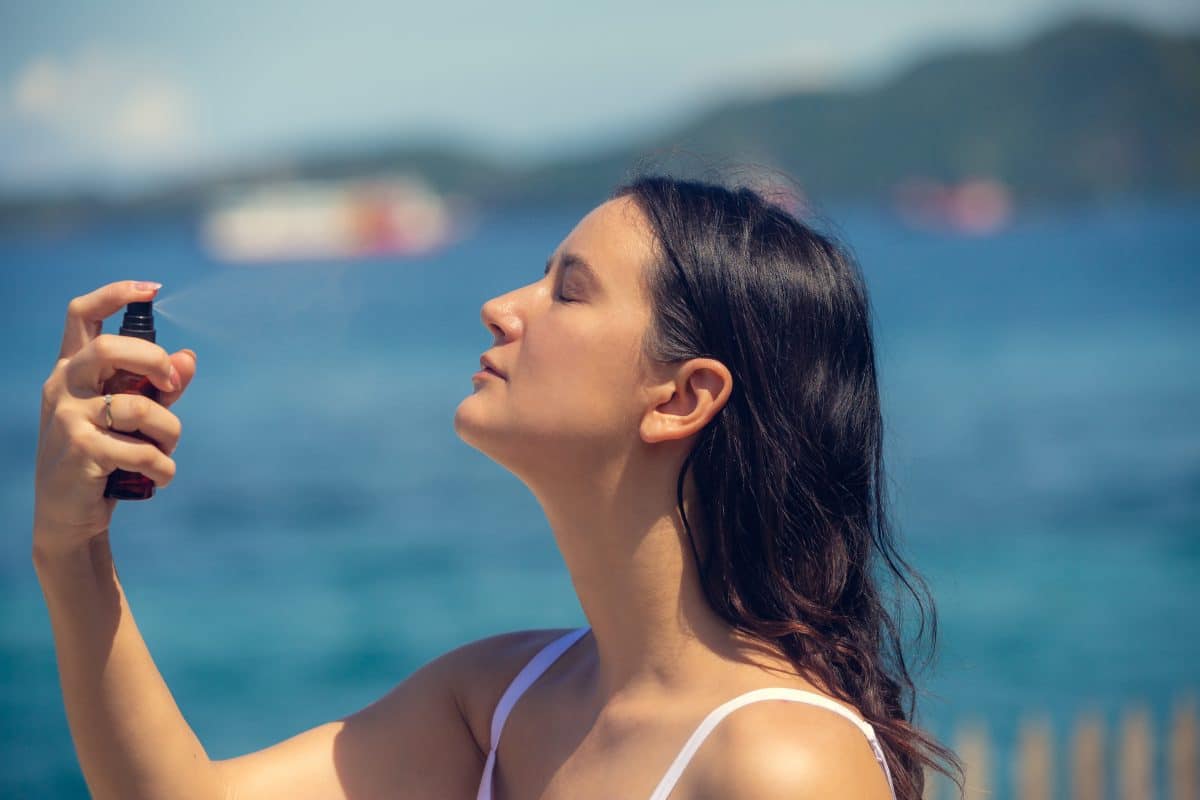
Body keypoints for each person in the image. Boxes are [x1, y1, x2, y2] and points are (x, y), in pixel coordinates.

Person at [33, 173, 962, 799]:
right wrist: (71, 548)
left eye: (568, 290)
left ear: (681, 397)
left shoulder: (780, 765)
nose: (500, 305)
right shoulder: (501, 696)